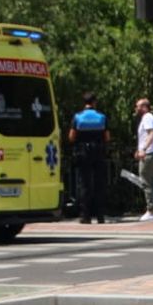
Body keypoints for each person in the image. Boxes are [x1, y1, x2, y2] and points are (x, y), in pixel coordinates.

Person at [67, 92, 110, 224]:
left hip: (83, 153)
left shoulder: (78, 117)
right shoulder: (102, 117)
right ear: (94, 102)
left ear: (84, 102)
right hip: (98, 152)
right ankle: (100, 215)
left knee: (84, 184)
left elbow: (71, 137)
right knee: (99, 184)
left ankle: (85, 216)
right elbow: (107, 137)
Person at [133, 96, 153, 221]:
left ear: (145, 107)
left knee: (146, 181)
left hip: (150, 153)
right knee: (150, 181)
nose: (136, 108)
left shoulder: (147, 117)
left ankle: (151, 211)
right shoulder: (150, 118)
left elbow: (151, 134)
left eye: (138, 106)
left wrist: (143, 149)